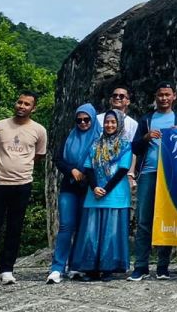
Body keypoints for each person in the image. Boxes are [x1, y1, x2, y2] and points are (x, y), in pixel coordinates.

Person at [0, 91, 48, 288]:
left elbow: (39, 155)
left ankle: (7, 269)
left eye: (27, 104)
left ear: (33, 108)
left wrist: (20, 166)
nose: (22, 106)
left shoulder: (39, 130)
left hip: (22, 184)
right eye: (20, 102)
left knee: (14, 229)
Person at [128, 82, 177, 281]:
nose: (164, 98)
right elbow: (135, 148)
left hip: (171, 174)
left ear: (174, 96)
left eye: (167, 95)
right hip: (149, 171)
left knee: (167, 219)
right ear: (155, 97)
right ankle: (141, 266)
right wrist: (146, 137)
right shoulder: (147, 120)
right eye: (160, 95)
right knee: (144, 219)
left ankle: (163, 266)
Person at [72, 110, 134, 280]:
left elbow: (123, 169)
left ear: (119, 123)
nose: (109, 125)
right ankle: (91, 268)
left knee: (111, 232)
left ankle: (108, 268)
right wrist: (94, 188)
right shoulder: (95, 144)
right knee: (91, 232)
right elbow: (89, 167)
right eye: (107, 122)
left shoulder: (125, 144)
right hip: (95, 194)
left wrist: (105, 188)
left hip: (116, 194)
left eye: (113, 122)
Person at [47, 104, 98, 284]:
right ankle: (57, 267)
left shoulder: (98, 138)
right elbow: (58, 159)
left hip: (89, 188)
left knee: (82, 228)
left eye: (86, 119)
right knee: (66, 226)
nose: (83, 123)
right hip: (70, 186)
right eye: (79, 120)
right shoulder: (70, 137)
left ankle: (75, 266)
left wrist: (86, 171)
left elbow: (101, 159)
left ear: (92, 119)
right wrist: (72, 170)